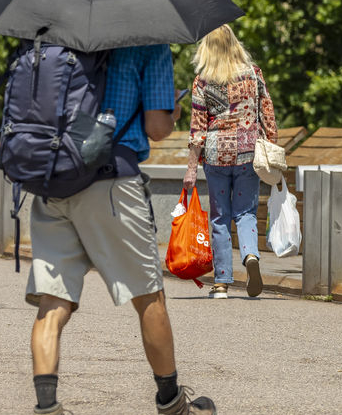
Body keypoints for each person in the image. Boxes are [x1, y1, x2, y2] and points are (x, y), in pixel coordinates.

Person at [26, 44, 216, 415]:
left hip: (54, 179)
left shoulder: (57, 38)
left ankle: (46, 407)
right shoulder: (148, 42)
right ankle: (172, 403)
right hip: (111, 181)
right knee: (147, 295)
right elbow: (157, 128)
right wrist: (173, 112)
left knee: (53, 301)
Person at [183, 25, 279, 300]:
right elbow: (267, 113)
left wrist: (191, 168)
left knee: (220, 216)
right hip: (249, 152)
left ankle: (222, 282)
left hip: (215, 156)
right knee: (246, 212)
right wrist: (271, 146)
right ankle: (250, 255)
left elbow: (197, 128)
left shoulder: (203, 80)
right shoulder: (253, 73)